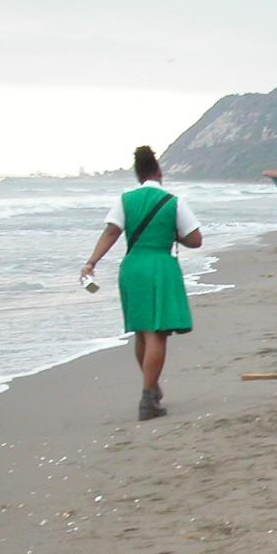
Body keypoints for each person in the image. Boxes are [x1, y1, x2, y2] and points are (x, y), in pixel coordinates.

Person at [81, 146, 203, 420]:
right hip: (159, 265)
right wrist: (173, 234)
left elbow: (111, 232)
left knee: (141, 331)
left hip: (132, 267)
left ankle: (151, 387)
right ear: (159, 172)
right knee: (157, 333)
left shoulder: (125, 200)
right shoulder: (173, 201)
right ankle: (148, 398)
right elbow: (195, 240)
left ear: (138, 175)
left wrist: (91, 262)